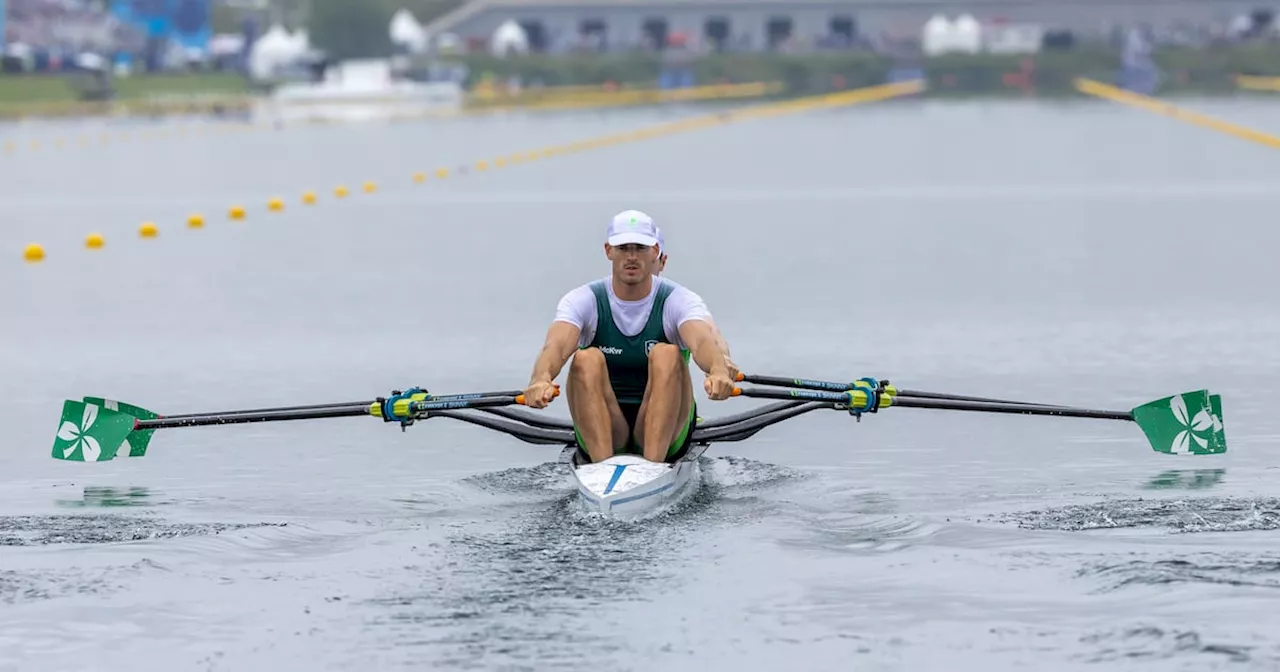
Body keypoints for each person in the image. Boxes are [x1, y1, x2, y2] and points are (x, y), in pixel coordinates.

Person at [523, 210, 737, 465]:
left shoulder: (679, 300)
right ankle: (603, 471)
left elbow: (703, 340)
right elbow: (555, 347)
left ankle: (653, 469)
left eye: (640, 247)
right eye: (623, 247)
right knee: (584, 358)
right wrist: (540, 379)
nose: (632, 256)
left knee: (667, 353)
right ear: (608, 251)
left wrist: (718, 370)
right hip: (606, 424)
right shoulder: (583, 300)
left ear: (655, 251)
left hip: (669, 424)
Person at [651, 225, 739, 381]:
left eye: (648, 254)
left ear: (662, 262)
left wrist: (722, 360)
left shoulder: (680, 300)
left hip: (675, 402)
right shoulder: (598, 298)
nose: (637, 259)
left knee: (665, 354)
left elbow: (710, 332)